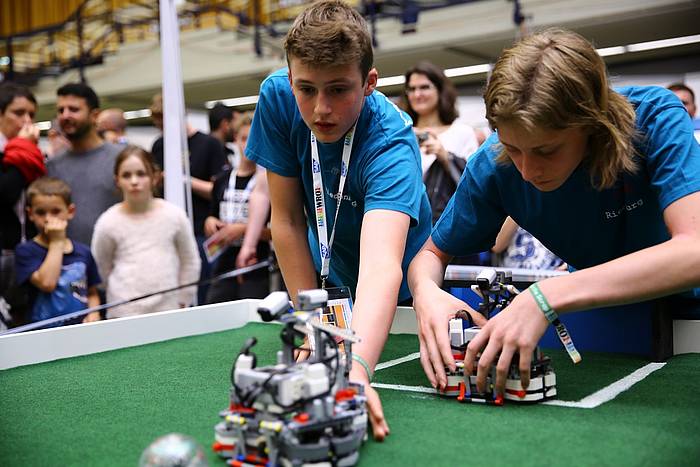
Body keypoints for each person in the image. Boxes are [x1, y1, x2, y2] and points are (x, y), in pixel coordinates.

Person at [407, 29, 700, 399]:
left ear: (593, 124)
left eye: (547, 150)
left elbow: (694, 251)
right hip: (600, 317)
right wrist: (426, 294)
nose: (528, 171)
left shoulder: (655, 118)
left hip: (691, 317)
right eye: (513, 148)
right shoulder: (493, 165)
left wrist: (546, 295)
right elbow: (431, 254)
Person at [246, 0, 431, 440]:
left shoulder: (391, 142)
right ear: (290, 78)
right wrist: (313, 322)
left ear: (369, 83)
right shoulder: (277, 97)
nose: (320, 108)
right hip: (331, 288)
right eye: (305, 88)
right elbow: (287, 220)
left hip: (402, 296)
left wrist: (356, 368)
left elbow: (383, 262)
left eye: (338, 89)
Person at [91, 146, 200, 319]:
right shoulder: (107, 222)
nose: (134, 181)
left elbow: (190, 261)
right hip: (123, 313)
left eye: (141, 174)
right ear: (117, 180)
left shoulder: (174, 215)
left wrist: (183, 298)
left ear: (154, 177)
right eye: (126, 175)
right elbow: (101, 269)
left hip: (168, 309)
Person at [150, 93, 229, 304]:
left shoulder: (209, 144)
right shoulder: (159, 146)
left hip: (200, 230)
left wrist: (183, 180)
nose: (163, 130)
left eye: (165, 123)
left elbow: (219, 189)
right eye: (159, 125)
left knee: (204, 291)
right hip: (168, 230)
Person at [14, 177, 101, 326]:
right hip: (42, 336)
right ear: (30, 214)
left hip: (80, 332)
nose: (48, 219)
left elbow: (91, 292)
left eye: (56, 211)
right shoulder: (26, 251)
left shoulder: (83, 252)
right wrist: (56, 241)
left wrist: (94, 312)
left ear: (70, 211)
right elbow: (47, 283)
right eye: (41, 212)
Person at [204, 111, 271, 303]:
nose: (248, 145)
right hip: (223, 259)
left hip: (256, 264)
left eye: (254, 139)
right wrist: (210, 222)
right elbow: (212, 214)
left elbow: (277, 230)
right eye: (243, 138)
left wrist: (242, 229)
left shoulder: (268, 182)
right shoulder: (222, 179)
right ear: (235, 139)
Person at [401, 61, 479, 223]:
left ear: (440, 90)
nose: (417, 94)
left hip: (448, 224)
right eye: (412, 89)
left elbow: (475, 182)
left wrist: (444, 156)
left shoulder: (462, 132)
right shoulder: (401, 133)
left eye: (424, 87)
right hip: (407, 222)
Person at [47, 82, 123, 246]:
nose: (65, 115)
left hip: (115, 263)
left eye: (74, 109)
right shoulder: (52, 166)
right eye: (61, 110)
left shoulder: (121, 159)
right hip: (69, 265)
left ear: (94, 115)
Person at [0, 82, 46, 326]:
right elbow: (5, 193)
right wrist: (25, 149)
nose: (26, 121)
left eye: (31, 114)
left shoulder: (31, 155)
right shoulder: (25, 154)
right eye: (18, 113)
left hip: (27, 255)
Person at [208, 102, 237, 168]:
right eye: (233, 123)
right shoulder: (211, 152)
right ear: (225, 124)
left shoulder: (227, 151)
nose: (235, 128)